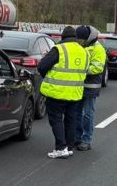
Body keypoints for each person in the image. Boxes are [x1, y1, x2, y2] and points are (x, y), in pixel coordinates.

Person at [38, 25, 89, 158]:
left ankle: (61, 148)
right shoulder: (84, 51)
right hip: (75, 93)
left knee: (56, 119)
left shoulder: (59, 49)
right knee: (71, 120)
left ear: (63, 37)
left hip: (57, 92)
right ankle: (69, 147)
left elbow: (42, 66)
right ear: (76, 38)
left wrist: (48, 77)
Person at [75, 25, 105, 151]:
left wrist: (81, 70)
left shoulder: (98, 49)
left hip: (90, 86)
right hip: (77, 86)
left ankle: (86, 140)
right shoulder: (81, 46)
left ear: (87, 38)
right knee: (76, 114)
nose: (79, 42)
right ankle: (76, 138)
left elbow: (98, 67)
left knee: (87, 114)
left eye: (81, 39)